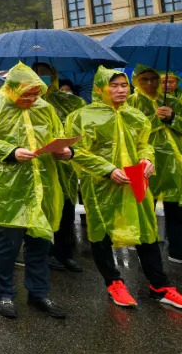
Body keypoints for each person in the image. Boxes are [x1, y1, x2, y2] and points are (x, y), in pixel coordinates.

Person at [66, 67, 182, 310]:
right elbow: (78, 152)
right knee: (102, 232)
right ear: (100, 88)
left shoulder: (135, 115)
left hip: (135, 179)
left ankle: (160, 285)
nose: (120, 90)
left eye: (124, 85)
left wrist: (147, 159)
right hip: (100, 184)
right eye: (114, 85)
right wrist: (107, 169)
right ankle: (114, 282)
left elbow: (144, 144)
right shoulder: (81, 117)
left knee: (146, 230)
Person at [0, 64, 70, 320]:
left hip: (42, 185)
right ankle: (4, 293)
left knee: (40, 244)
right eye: (26, 94)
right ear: (11, 88)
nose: (32, 99)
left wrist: (65, 151)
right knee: (8, 246)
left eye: (36, 93)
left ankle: (39, 293)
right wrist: (10, 152)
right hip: (8, 187)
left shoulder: (44, 108)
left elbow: (58, 135)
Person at [31, 62, 86, 272]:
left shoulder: (67, 101)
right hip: (39, 165)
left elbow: (81, 126)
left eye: (47, 75)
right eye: (38, 75)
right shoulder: (26, 103)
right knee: (42, 210)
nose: (43, 79)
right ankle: (43, 254)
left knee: (66, 208)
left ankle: (65, 254)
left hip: (64, 162)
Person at [127, 66, 182, 264]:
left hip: (172, 161)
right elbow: (128, 131)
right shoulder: (130, 102)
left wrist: (173, 117)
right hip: (143, 159)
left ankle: (177, 250)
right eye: (144, 79)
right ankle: (144, 247)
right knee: (143, 204)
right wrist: (155, 119)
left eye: (153, 78)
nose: (150, 83)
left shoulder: (173, 102)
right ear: (136, 81)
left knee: (175, 206)